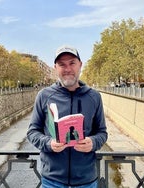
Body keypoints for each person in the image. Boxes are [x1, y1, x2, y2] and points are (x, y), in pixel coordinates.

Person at [27, 45, 108, 188]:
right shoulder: (44, 96)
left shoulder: (94, 97)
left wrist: (92, 142)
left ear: (80, 65)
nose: (67, 69)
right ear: (55, 68)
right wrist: (48, 143)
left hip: (86, 181)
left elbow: (102, 133)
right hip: (52, 180)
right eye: (62, 64)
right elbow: (32, 132)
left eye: (72, 63)